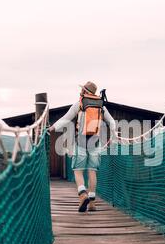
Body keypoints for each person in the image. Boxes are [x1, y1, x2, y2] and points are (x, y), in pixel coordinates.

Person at [48, 81, 116, 212]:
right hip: (96, 143)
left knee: (78, 171)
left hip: (81, 142)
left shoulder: (79, 104)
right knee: (92, 171)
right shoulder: (101, 105)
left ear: (85, 91)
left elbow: (65, 119)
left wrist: (52, 128)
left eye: (82, 90)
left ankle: (82, 194)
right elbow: (112, 122)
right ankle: (92, 203)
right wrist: (113, 136)